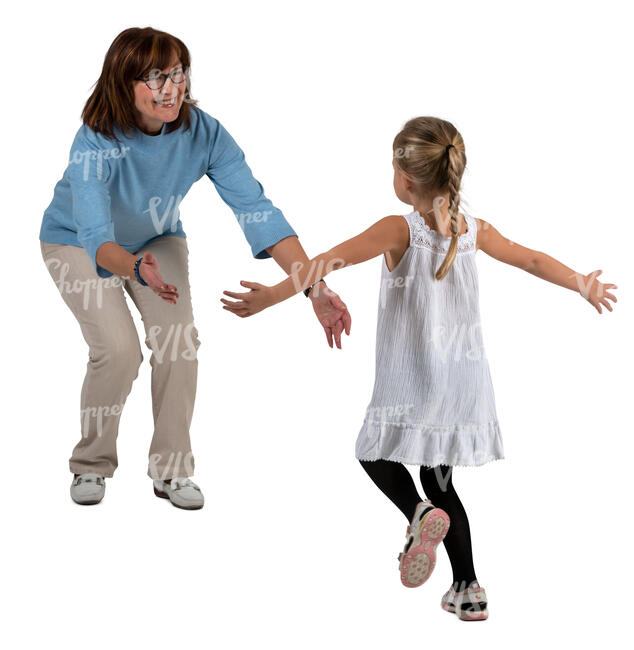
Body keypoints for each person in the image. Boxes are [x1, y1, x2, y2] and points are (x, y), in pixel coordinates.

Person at [220, 116, 618, 619]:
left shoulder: (398, 228)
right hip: (463, 385)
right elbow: (530, 259)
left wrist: (273, 296)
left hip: (413, 380)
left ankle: (418, 514)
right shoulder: (473, 229)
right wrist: (582, 282)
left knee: (373, 452)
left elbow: (325, 261)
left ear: (404, 178)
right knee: (441, 480)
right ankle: (469, 589)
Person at [39, 27, 351, 510]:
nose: (171, 87)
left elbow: (257, 209)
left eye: (178, 73)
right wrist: (133, 270)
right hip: (77, 243)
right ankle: (92, 463)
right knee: (119, 350)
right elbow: (97, 236)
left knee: (178, 341)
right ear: (123, 83)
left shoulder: (204, 132)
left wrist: (314, 286)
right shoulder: (94, 141)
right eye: (154, 76)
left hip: (157, 237)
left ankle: (172, 470)